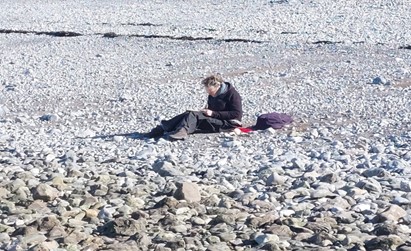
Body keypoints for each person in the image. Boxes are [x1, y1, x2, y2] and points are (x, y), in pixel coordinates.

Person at [145, 75, 243, 140]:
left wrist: (213, 113)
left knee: (193, 115)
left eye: (211, 91)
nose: (209, 93)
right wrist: (207, 111)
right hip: (217, 118)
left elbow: (237, 114)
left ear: (218, 87)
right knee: (189, 113)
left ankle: (182, 131)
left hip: (228, 123)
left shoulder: (232, 94)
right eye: (208, 91)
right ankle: (164, 127)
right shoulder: (212, 95)